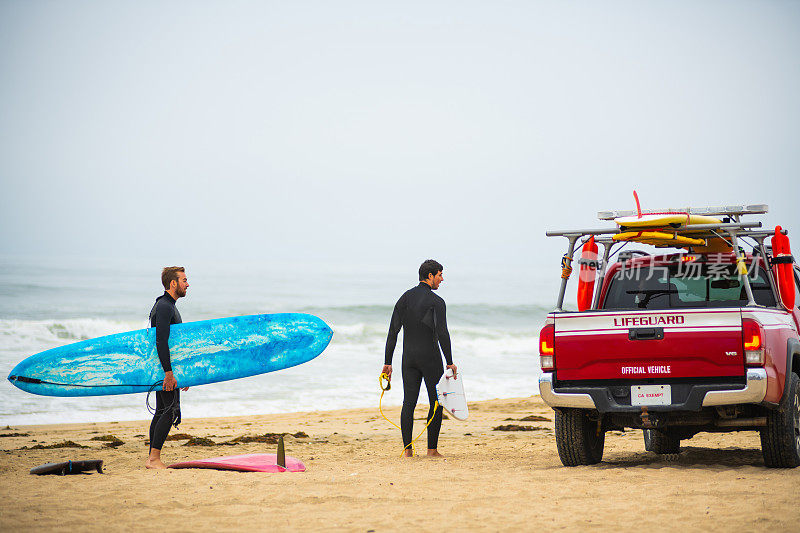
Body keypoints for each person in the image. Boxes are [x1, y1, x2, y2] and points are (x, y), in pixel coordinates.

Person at [383, 259, 457, 457]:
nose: (442, 279)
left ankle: (408, 451)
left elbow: (392, 332)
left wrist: (387, 362)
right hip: (430, 359)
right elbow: (442, 333)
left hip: (408, 359)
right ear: (430, 276)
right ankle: (431, 450)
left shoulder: (404, 298)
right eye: (440, 275)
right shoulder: (437, 302)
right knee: (435, 402)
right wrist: (449, 361)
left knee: (409, 403)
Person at [145, 266, 189, 469]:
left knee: (162, 409)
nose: (187, 284)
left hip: (163, 368)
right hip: (164, 369)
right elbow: (161, 341)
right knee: (169, 411)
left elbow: (174, 345)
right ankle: (154, 459)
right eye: (184, 280)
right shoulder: (164, 306)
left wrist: (184, 374)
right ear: (173, 283)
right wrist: (169, 374)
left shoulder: (166, 305)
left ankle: (151, 458)